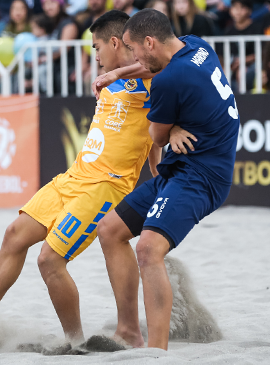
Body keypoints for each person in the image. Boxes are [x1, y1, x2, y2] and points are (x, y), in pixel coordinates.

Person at [0, 10, 165, 349]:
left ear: (117, 43)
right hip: (74, 176)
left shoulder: (148, 74)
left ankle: (75, 342)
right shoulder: (112, 79)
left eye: (97, 47)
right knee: (14, 234)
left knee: (49, 259)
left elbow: (161, 71)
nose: (96, 56)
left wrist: (158, 172)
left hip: (107, 186)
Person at [93, 8, 239, 350]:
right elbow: (152, 66)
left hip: (199, 176)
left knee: (147, 250)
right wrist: (116, 75)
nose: (133, 57)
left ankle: (156, 353)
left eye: (133, 49)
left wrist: (169, 128)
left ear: (149, 42)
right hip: (181, 170)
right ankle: (128, 329)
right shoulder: (195, 45)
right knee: (110, 231)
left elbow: (156, 138)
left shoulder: (168, 80)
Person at [223, 0, 263, 91]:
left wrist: (244, 60)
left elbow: (262, 53)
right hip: (234, 66)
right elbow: (224, 54)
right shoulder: (229, 31)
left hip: (253, 65)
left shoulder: (257, 28)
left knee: (243, 72)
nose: (237, 11)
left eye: (242, 8)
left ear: (249, 10)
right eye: (235, 7)